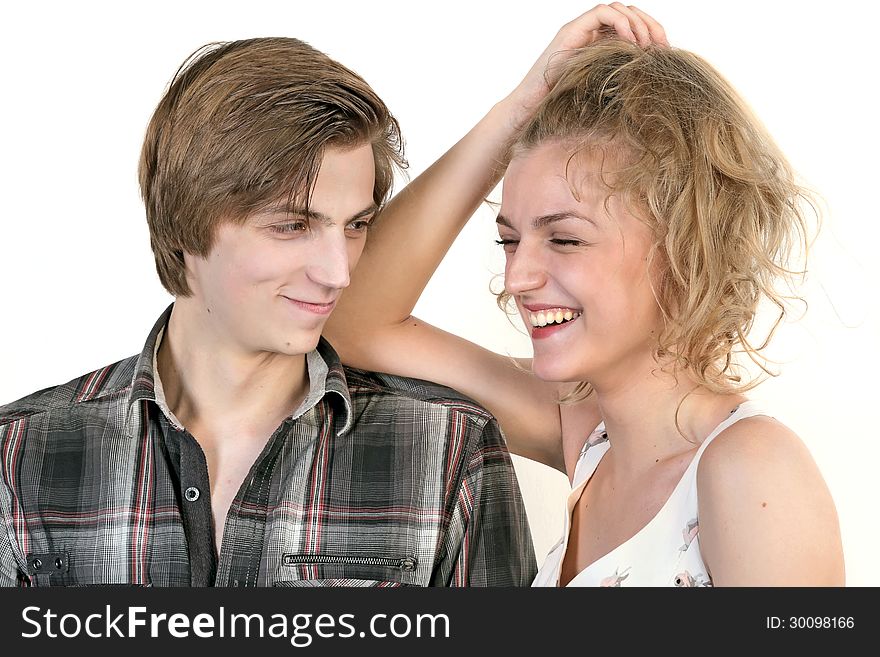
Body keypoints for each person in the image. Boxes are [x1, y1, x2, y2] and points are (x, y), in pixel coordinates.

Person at [324, 4, 845, 586]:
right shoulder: (592, 442)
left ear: (687, 246)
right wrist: (521, 107)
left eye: (566, 238)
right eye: (510, 240)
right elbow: (348, 321)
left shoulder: (751, 470)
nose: (519, 277)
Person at [0, 37, 536, 587]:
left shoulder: (449, 451)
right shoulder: (18, 461)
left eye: (355, 224)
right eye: (292, 226)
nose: (339, 273)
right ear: (188, 222)